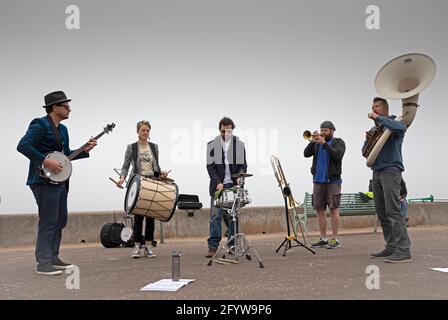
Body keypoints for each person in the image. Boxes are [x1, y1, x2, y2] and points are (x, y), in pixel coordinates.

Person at [17, 91, 97, 275]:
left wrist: (85, 150)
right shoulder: (40, 124)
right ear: (55, 107)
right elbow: (23, 145)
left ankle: (53, 257)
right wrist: (45, 161)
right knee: (48, 221)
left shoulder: (63, 130)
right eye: (66, 106)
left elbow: (66, 155)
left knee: (60, 220)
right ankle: (43, 263)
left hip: (60, 181)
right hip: (42, 180)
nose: (70, 109)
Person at [363, 97, 412, 263]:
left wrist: (378, 119)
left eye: (376, 106)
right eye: (372, 107)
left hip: (391, 170)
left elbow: (401, 127)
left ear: (385, 108)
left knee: (393, 211)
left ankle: (404, 250)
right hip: (376, 171)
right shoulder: (376, 128)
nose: (374, 109)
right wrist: (368, 139)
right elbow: (365, 153)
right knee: (382, 212)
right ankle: (391, 247)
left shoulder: (394, 122)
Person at [117, 120, 169, 258]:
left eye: (147, 130)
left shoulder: (154, 147)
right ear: (137, 132)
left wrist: (161, 173)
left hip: (152, 182)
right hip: (138, 183)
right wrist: (122, 178)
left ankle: (148, 246)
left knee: (151, 217)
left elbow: (155, 165)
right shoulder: (132, 147)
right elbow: (126, 165)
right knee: (139, 216)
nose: (145, 132)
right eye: (142, 130)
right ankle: (136, 246)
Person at [205, 117, 247, 258]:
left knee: (232, 217)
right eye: (224, 131)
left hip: (233, 185)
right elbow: (210, 168)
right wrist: (217, 182)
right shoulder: (212, 145)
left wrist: (241, 176)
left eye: (229, 130)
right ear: (220, 129)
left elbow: (243, 165)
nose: (226, 133)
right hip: (218, 185)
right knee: (215, 216)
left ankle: (232, 244)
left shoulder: (239, 145)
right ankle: (213, 246)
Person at [304, 121, 346, 249]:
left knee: (333, 209)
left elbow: (337, 155)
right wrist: (312, 142)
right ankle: (323, 238)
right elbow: (306, 154)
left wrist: (324, 144)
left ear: (332, 130)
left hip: (333, 181)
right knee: (319, 210)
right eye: (321, 130)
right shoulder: (316, 143)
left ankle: (335, 239)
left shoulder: (338, 142)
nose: (322, 133)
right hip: (318, 180)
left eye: (325, 130)